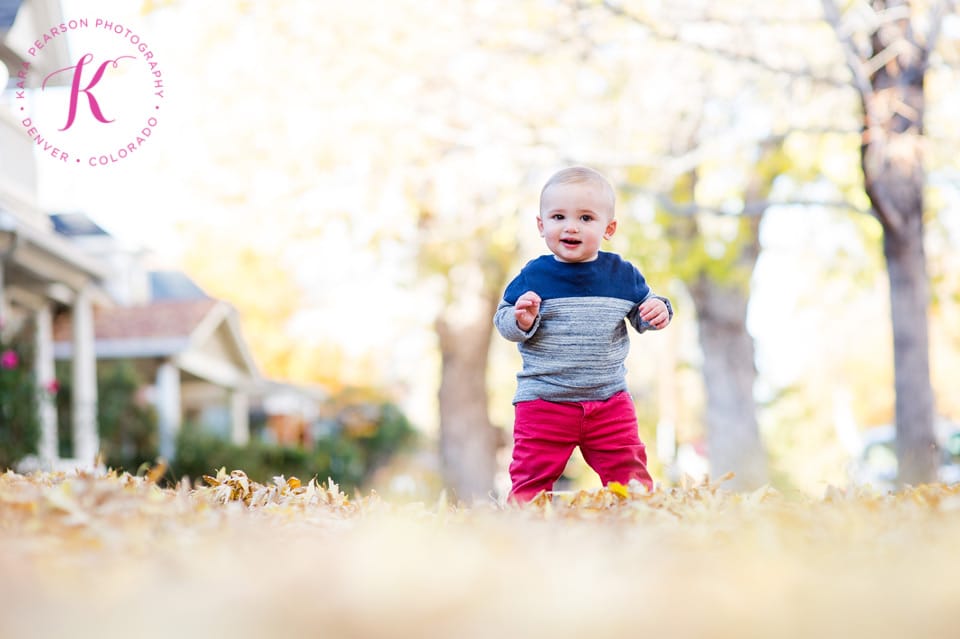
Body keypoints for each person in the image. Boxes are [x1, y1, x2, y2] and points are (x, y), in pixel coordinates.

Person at [494, 166, 673, 502]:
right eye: (559, 216)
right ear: (541, 225)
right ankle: (525, 525)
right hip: (544, 401)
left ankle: (638, 519)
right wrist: (521, 319)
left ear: (609, 228)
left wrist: (658, 310)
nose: (571, 226)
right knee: (531, 477)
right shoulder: (534, 275)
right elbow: (503, 320)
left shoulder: (622, 274)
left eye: (586, 218)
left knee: (630, 475)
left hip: (609, 401)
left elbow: (643, 311)